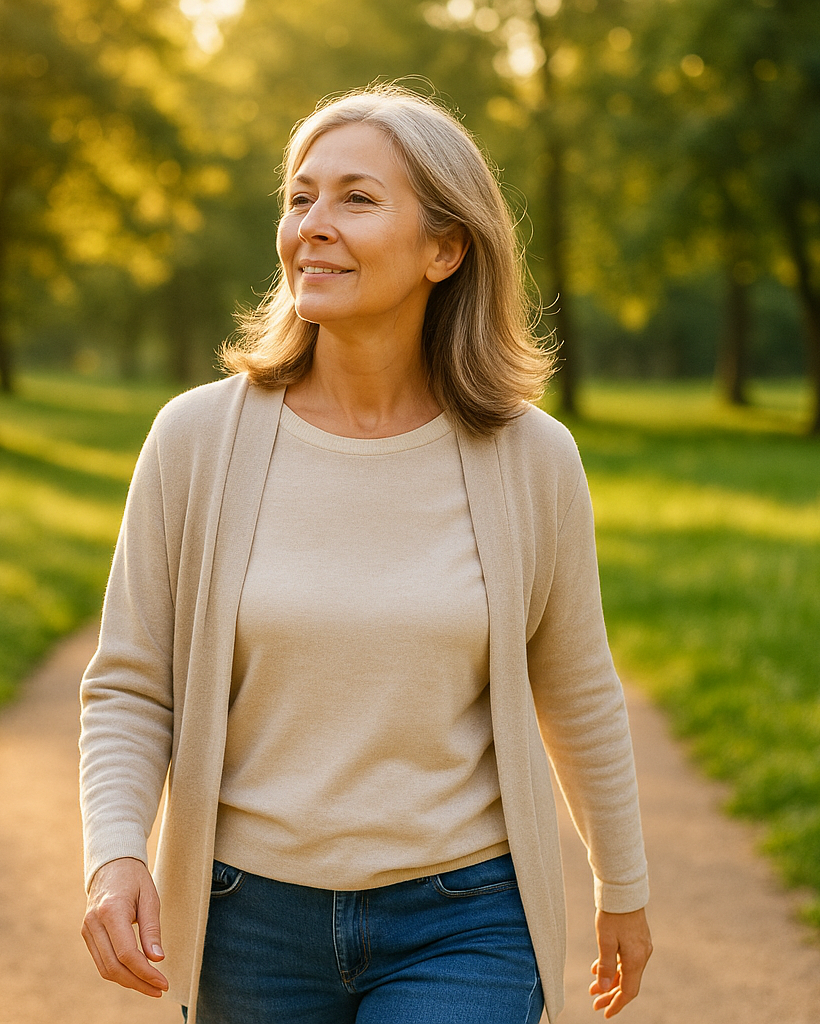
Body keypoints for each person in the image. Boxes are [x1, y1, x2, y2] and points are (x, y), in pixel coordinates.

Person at [79, 84, 651, 1024]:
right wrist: (115, 853)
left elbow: (576, 683)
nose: (314, 224)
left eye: (356, 198)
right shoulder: (194, 441)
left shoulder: (530, 457)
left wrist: (621, 884)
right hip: (246, 925)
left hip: (465, 920)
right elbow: (133, 684)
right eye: (300, 197)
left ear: (445, 247)